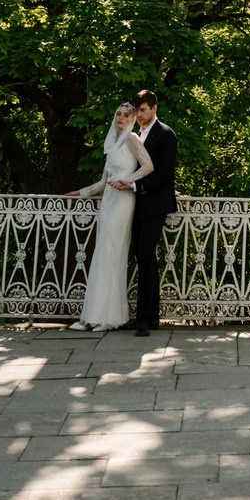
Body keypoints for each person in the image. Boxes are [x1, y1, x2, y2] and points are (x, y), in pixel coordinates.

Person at [67, 102, 153, 330]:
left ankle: (108, 319)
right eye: (118, 114)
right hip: (108, 201)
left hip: (124, 201)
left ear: (132, 119)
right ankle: (93, 316)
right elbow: (103, 182)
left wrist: (129, 181)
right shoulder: (112, 144)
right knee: (101, 255)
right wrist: (80, 193)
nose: (121, 118)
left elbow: (148, 166)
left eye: (126, 115)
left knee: (112, 254)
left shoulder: (132, 139)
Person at [130, 88, 177, 336]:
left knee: (147, 255)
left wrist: (136, 186)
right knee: (142, 259)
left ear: (154, 108)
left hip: (156, 205)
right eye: (137, 110)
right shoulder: (136, 134)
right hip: (136, 206)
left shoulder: (166, 134)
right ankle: (151, 317)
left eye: (143, 110)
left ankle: (144, 320)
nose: (139, 115)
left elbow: (165, 176)